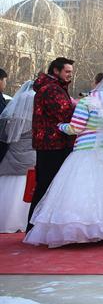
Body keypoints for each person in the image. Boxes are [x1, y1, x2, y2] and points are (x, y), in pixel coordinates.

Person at [25, 73, 103, 247]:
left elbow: (75, 128)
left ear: (96, 83)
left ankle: (80, 230)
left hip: (86, 150)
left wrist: (60, 126)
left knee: (81, 189)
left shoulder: (87, 102)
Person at [27, 57, 76, 230]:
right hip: (52, 144)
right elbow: (65, 113)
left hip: (51, 143)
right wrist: (84, 107)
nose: (70, 75)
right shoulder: (51, 89)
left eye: (71, 72)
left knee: (47, 185)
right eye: (67, 71)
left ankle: (37, 227)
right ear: (56, 71)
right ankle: (34, 227)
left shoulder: (55, 87)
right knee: (47, 186)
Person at [0, 80, 36, 232]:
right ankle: (22, 220)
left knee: (8, 187)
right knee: (25, 188)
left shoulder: (13, 115)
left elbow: (8, 136)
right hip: (29, 155)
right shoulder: (34, 115)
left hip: (12, 155)